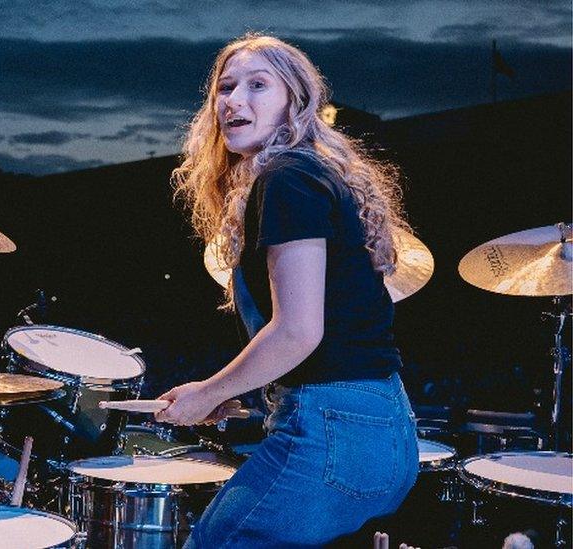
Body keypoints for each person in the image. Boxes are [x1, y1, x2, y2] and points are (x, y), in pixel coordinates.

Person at [157, 33, 419, 547]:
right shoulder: (313, 173)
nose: (234, 100)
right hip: (387, 427)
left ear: (295, 103)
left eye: (258, 85)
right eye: (226, 87)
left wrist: (207, 393)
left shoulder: (287, 178)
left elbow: (299, 332)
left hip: (331, 431)